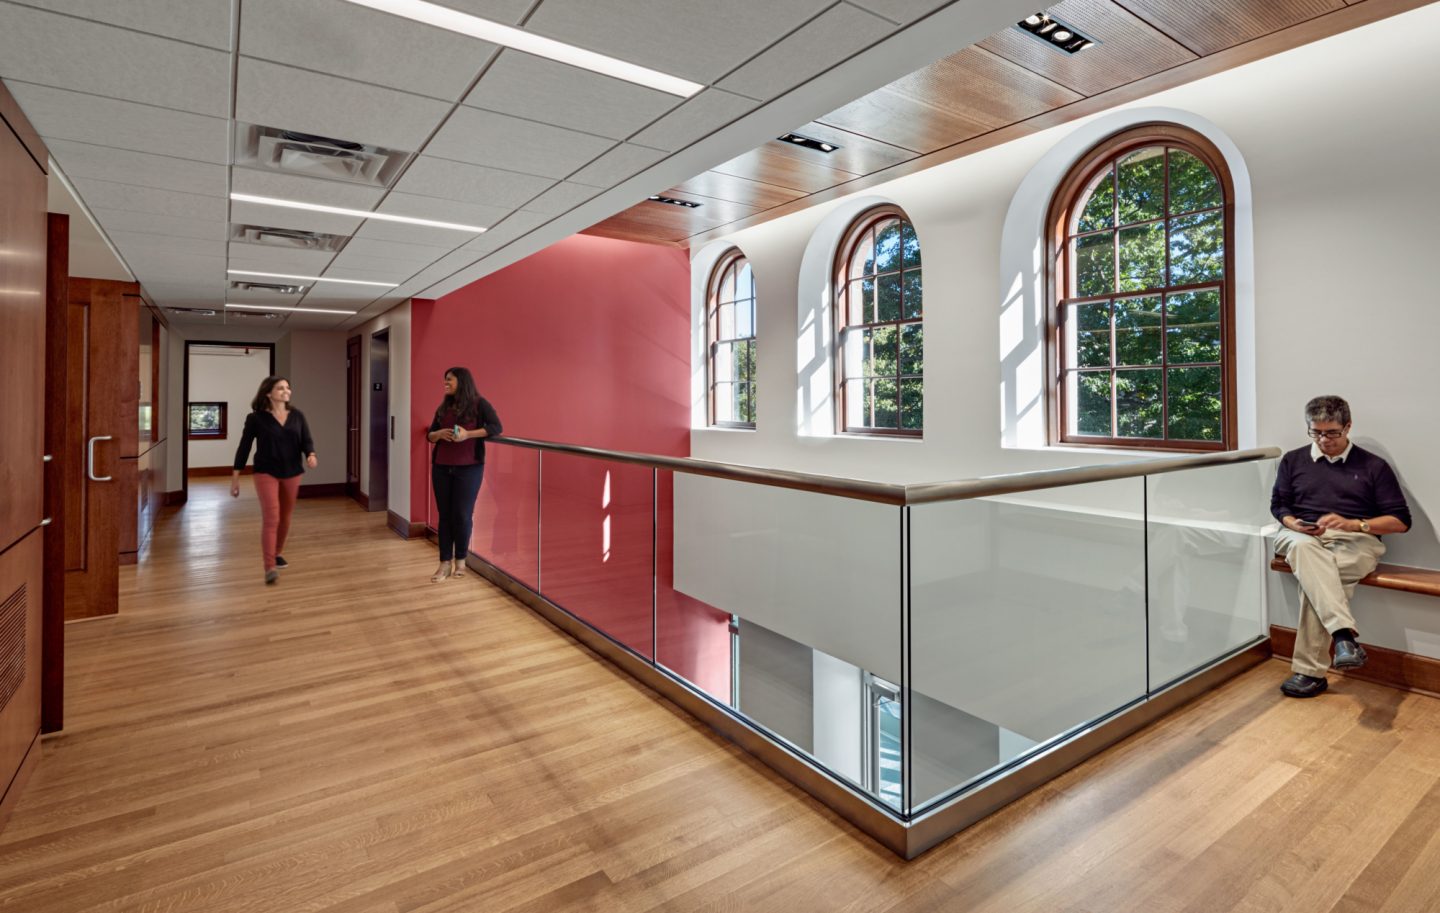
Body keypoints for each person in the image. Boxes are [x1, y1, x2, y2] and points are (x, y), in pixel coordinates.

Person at [1270, 395, 1410, 698]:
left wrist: (1354, 524)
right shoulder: (1293, 460)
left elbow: (1400, 522)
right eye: (1316, 432)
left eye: (1332, 432)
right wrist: (1293, 523)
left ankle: (1311, 673)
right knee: (1306, 552)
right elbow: (1279, 505)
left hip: (1355, 540)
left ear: (1348, 427)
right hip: (1300, 536)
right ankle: (1343, 636)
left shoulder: (1373, 466)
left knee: (1317, 579)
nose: (1324, 440)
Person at [231, 376, 317, 585]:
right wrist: (235, 477)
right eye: (281, 388)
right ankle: (269, 566)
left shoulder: (297, 416)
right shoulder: (256, 419)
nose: (286, 391)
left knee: (285, 518)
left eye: (288, 387)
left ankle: (277, 552)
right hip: (265, 472)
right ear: (269, 393)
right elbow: (244, 447)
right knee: (272, 518)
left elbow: (306, 439)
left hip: (292, 472)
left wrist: (311, 454)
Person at [425, 367, 502, 583]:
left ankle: (461, 560)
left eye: (449, 380)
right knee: (445, 516)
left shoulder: (479, 404)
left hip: (469, 469)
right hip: (441, 467)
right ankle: (443, 564)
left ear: (462, 381)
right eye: (445, 380)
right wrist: (438, 434)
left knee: (462, 514)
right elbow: (429, 435)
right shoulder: (443, 407)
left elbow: (496, 427)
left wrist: (468, 434)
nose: (445, 383)